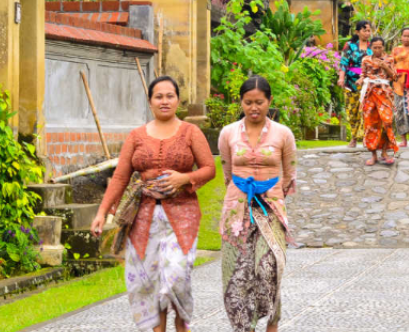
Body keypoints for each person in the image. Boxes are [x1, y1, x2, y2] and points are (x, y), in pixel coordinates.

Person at [90, 76, 215, 332]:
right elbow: (121, 177)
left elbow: (210, 168)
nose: (165, 101)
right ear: (150, 102)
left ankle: (183, 327)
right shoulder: (136, 136)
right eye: (159, 97)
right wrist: (102, 212)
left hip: (183, 216)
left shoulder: (191, 132)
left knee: (177, 277)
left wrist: (185, 178)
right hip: (143, 219)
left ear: (178, 100)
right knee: (149, 283)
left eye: (170, 96)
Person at [217, 75, 297, 332]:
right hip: (235, 210)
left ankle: (272, 324)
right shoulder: (228, 133)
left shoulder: (283, 134)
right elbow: (227, 172)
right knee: (238, 274)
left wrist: (269, 193)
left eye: (259, 102)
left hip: (270, 208)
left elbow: (289, 173)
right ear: (240, 102)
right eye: (248, 102)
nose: (254, 108)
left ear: (269, 101)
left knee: (269, 268)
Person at [360, 36, 398, 165]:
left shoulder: (389, 59)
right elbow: (363, 75)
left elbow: (394, 77)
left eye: (380, 47)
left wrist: (385, 67)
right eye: (375, 47)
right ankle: (374, 154)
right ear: (371, 47)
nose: (377, 50)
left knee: (387, 121)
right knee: (371, 123)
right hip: (370, 94)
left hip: (384, 94)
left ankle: (385, 152)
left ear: (383, 47)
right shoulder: (365, 60)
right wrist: (360, 80)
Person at [338, 20, 373, 148]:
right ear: (357, 32)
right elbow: (344, 63)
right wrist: (341, 78)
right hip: (351, 83)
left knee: (365, 110)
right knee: (352, 111)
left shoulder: (372, 46)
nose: (367, 33)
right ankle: (353, 137)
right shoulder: (350, 45)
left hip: (368, 83)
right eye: (364, 30)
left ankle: (365, 137)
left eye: (369, 30)